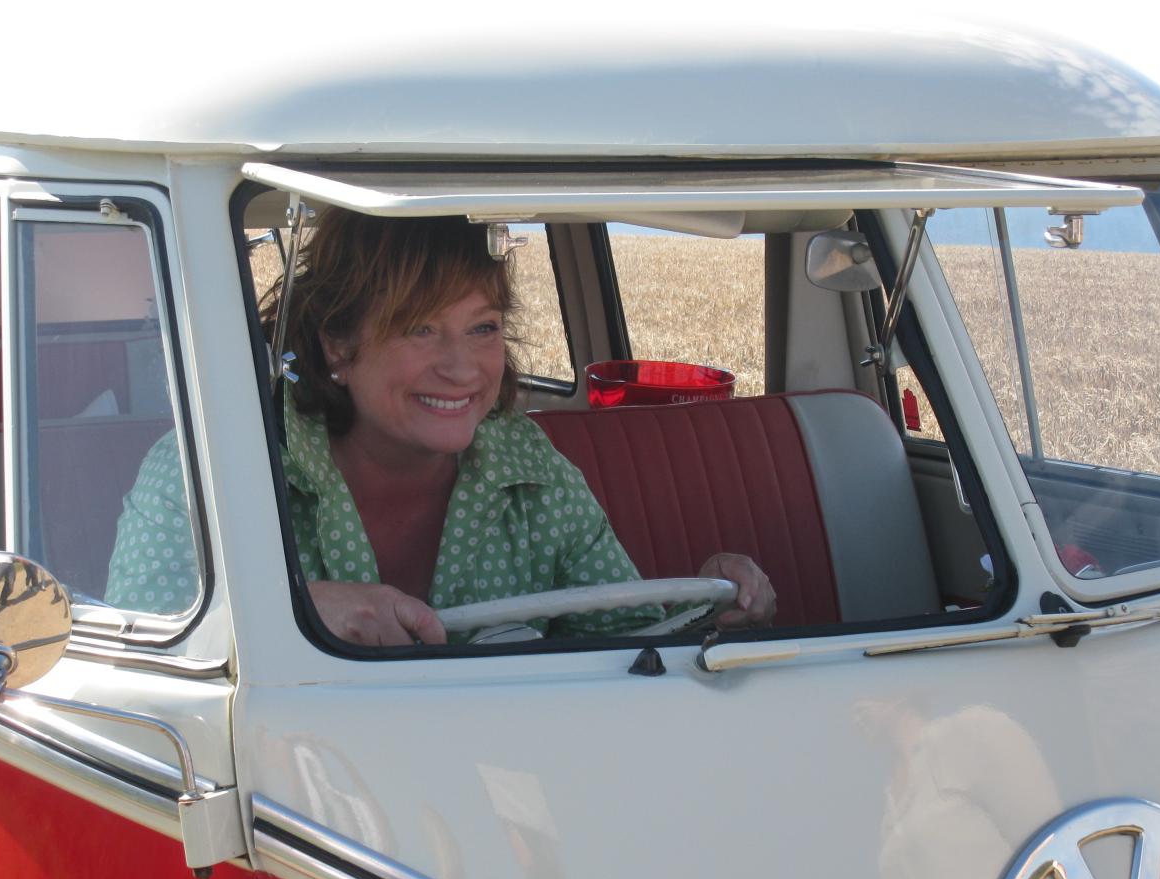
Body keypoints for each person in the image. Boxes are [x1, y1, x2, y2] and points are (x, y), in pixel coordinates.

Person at [107, 210, 775, 644]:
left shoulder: (526, 464)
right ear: (337, 345)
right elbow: (139, 659)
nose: (462, 368)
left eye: (482, 329)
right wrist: (298, 611)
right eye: (419, 329)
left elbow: (628, 642)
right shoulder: (218, 468)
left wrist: (714, 608)